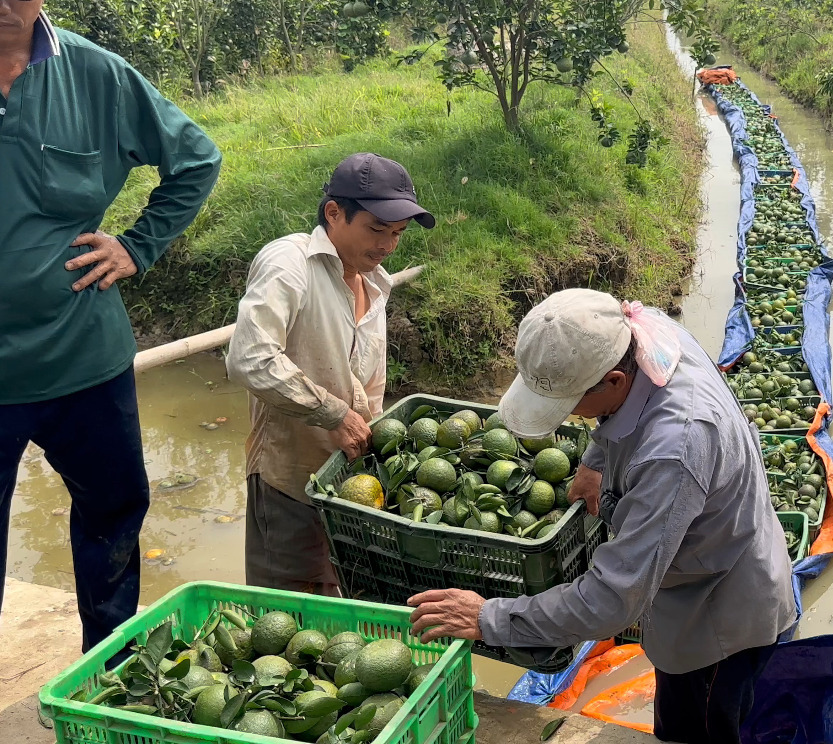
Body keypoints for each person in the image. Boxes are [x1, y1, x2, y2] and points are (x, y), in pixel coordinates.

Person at [407, 288, 797, 744]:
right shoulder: (638, 329)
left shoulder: (675, 449)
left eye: (571, 404)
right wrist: (594, 459)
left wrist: (490, 617)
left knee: (697, 729)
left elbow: (612, 601)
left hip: (720, 615)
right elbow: (622, 414)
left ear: (613, 381)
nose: (570, 416)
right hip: (698, 569)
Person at [0, 0, 221, 650]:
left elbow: (196, 160)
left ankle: (111, 664)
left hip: (83, 362)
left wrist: (137, 245)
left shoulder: (96, 75)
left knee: (114, 515)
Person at [225, 153, 434, 595]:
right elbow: (249, 356)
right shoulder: (289, 263)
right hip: (292, 485)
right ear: (334, 214)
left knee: (346, 611)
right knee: (287, 616)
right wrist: (333, 414)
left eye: (397, 234)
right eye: (377, 229)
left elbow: (369, 388)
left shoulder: (376, 281)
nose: (388, 245)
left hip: (353, 492)